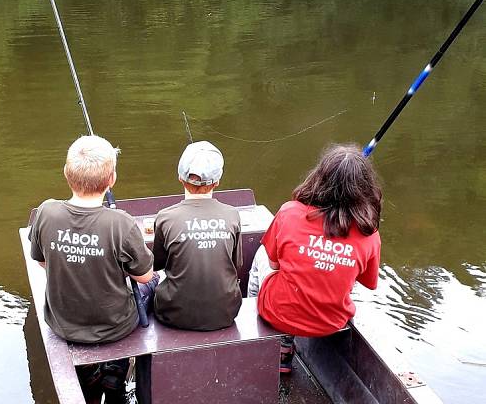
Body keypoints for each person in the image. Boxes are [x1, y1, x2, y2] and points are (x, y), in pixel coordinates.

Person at [29, 135, 155, 403]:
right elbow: (143, 274)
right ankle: (115, 376)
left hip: (63, 324)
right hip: (116, 326)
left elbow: (42, 261)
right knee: (154, 284)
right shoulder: (121, 223)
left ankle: (95, 376)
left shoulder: (46, 212)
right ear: (112, 180)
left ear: (66, 173)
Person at [249, 143, 382, 374]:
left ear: (319, 178)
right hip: (332, 322)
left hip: (277, 312)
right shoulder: (369, 234)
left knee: (263, 253)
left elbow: (273, 263)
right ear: (364, 189)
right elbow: (369, 282)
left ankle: (268, 338)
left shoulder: (289, 212)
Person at [152, 140, 243, 330]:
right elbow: (236, 264)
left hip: (173, 315)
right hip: (226, 313)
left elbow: (158, 264)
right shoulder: (232, 215)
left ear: (180, 177)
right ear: (217, 181)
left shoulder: (166, 217)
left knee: (149, 282)